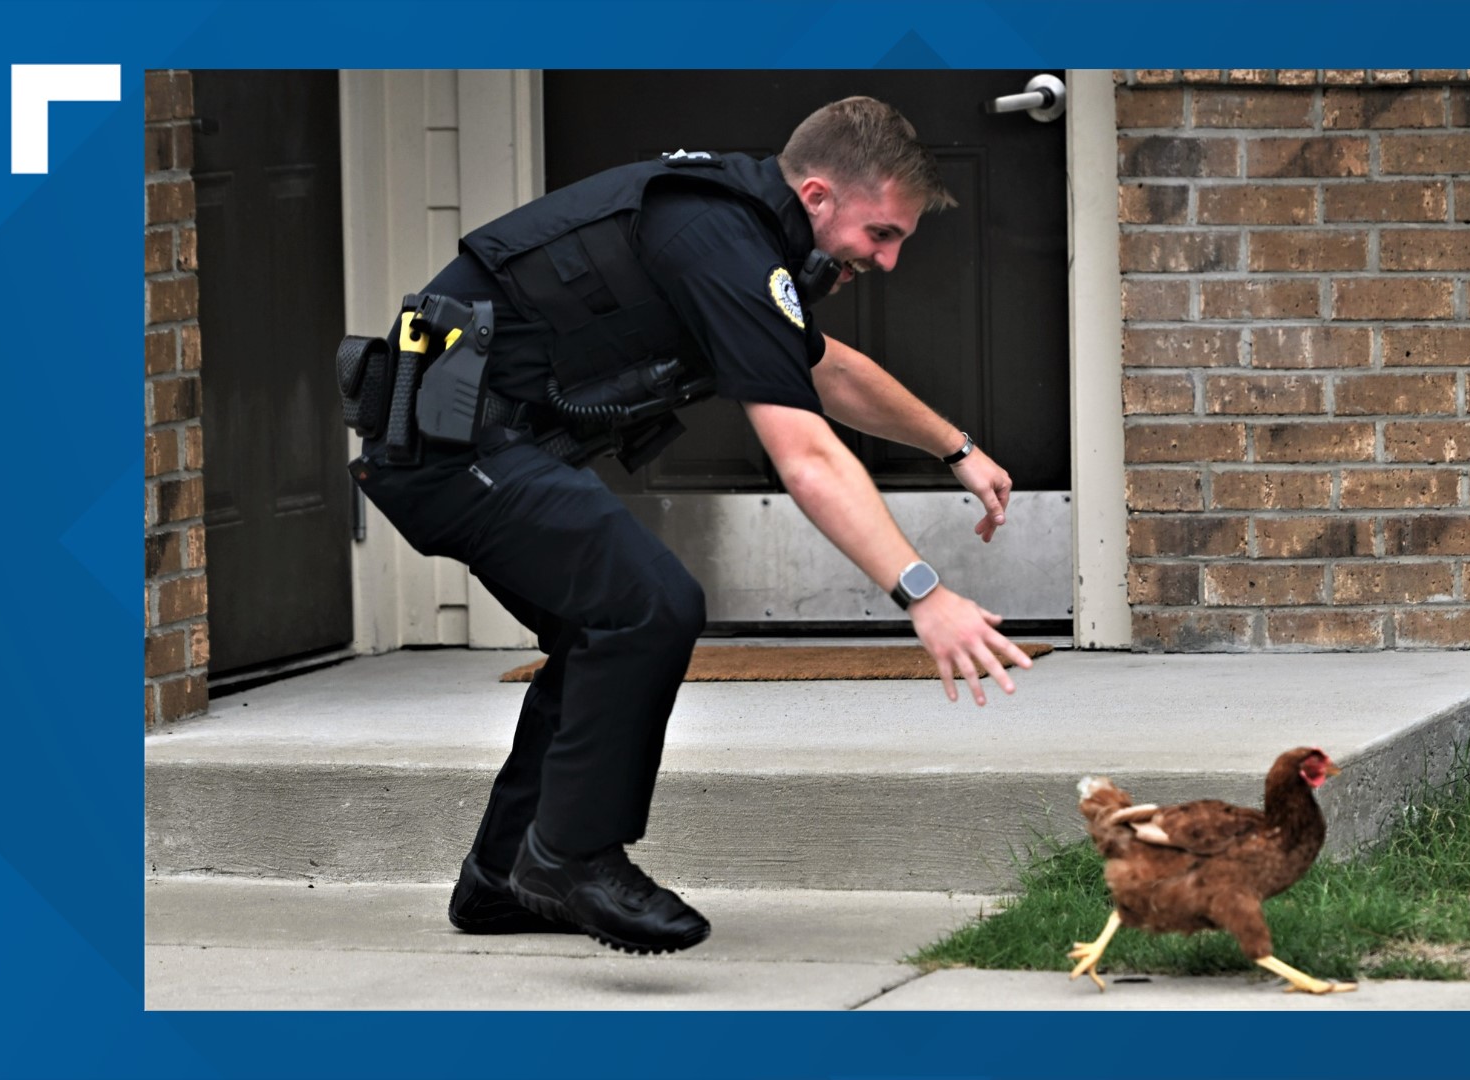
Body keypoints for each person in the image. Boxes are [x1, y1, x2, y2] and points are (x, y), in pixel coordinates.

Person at [347, 97, 1033, 955]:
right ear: (818, 196)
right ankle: (572, 857)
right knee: (650, 605)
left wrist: (955, 447)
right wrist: (923, 593)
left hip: (473, 445)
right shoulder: (719, 238)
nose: (887, 261)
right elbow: (808, 455)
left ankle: (502, 876)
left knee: (597, 627)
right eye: (882, 233)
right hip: (449, 450)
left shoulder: (735, 234)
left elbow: (825, 369)